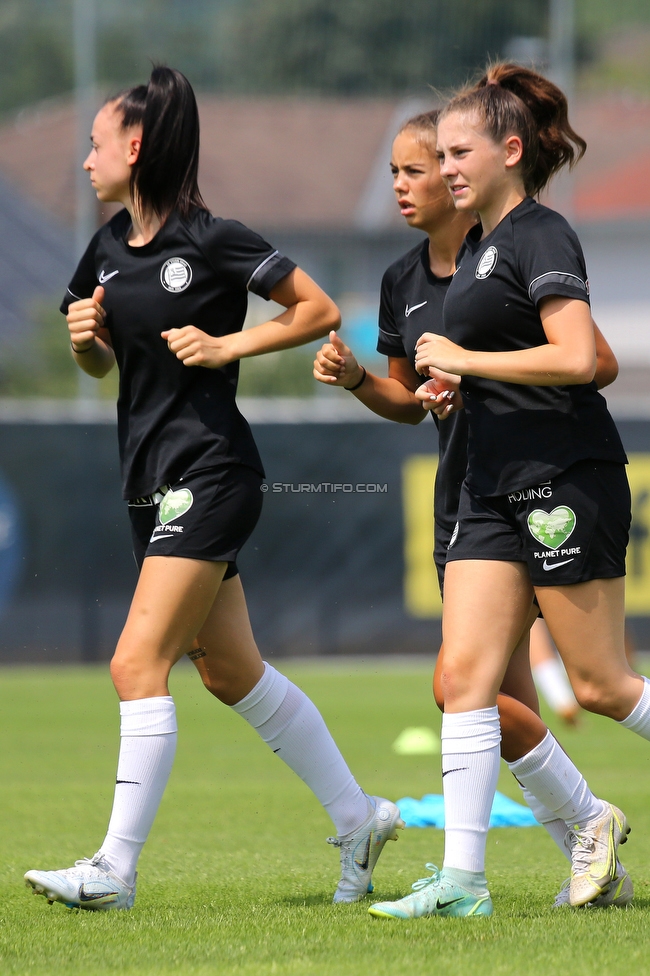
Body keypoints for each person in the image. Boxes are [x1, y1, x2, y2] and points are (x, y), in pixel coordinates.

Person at [24, 67, 403, 913]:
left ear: (137, 147)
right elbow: (99, 363)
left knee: (135, 662)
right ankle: (360, 815)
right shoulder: (104, 248)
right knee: (230, 672)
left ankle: (113, 873)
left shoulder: (214, 238)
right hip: (146, 479)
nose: (85, 160)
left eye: (95, 143)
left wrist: (231, 348)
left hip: (211, 469)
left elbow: (318, 309)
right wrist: (87, 341)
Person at [313, 105, 632, 915]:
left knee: (597, 685)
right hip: (479, 492)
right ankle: (466, 882)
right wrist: (407, 380)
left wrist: (466, 360)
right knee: (463, 683)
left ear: (509, 152)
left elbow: (585, 358)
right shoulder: (464, 260)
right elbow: (427, 391)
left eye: (451, 156)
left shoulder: (538, 234)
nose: (431, 175)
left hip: (559, 477)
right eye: (429, 160)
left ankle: (590, 830)